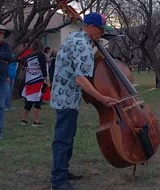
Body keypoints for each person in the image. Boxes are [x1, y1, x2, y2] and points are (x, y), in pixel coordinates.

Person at [50, 12, 118, 190]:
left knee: (67, 136)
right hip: (67, 98)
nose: (101, 34)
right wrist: (102, 98)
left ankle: (63, 171)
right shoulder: (83, 45)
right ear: (92, 28)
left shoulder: (75, 37)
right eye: (101, 31)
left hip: (63, 95)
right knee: (63, 138)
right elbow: (81, 79)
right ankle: (58, 180)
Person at [20, 39, 49, 126]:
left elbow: (22, 63)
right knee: (38, 100)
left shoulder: (29, 56)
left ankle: (24, 120)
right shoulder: (41, 55)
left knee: (29, 100)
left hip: (29, 81)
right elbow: (43, 69)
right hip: (39, 81)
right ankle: (36, 121)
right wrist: (47, 81)